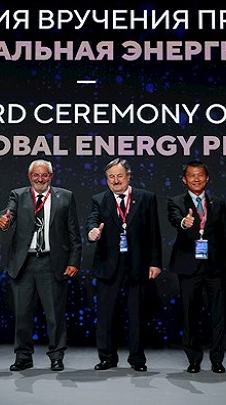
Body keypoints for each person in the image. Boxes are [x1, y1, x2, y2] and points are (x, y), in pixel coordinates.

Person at [0, 159, 82, 372]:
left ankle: (56, 356)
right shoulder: (18, 195)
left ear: (51, 176)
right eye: (36, 175)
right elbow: (9, 214)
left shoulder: (65, 196)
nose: (40, 179)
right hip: (24, 264)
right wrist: (5, 220)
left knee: (55, 315)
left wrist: (74, 261)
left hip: (52, 263)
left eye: (45, 175)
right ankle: (23, 356)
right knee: (22, 314)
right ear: (30, 177)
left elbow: (74, 232)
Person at [85, 158, 162, 372]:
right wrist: (92, 233)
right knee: (106, 314)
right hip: (108, 265)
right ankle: (107, 357)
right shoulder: (99, 199)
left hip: (137, 265)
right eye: (111, 177)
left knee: (136, 314)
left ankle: (137, 359)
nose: (116, 180)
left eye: (120, 176)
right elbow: (92, 221)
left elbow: (154, 232)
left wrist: (155, 262)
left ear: (128, 176)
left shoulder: (146, 198)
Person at [167, 160, 226, 374]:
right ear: (184, 179)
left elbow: (225, 235)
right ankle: (194, 359)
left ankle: (217, 360)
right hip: (189, 266)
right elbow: (174, 219)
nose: (196, 179)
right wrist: (184, 223)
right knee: (190, 314)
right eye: (191, 175)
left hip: (215, 266)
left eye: (200, 175)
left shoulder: (218, 202)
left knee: (218, 315)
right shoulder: (176, 201)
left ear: (207, 178)